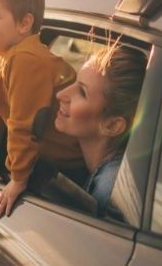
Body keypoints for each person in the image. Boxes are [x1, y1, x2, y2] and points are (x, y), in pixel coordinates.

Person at [0, 0, 84, 218]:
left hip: (69, 166)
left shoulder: (26, 60)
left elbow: (24, 124)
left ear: (24, 23)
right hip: (46, 161)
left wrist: (18, 179)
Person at [54, 45, 147, 217]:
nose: (61, 94)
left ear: (112, 126)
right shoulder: (117, 174)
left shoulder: (109, 194)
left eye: (82, 92)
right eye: (74, 81)